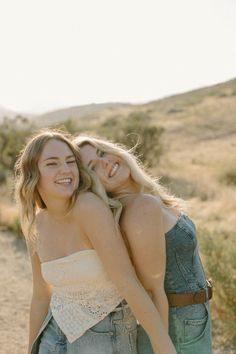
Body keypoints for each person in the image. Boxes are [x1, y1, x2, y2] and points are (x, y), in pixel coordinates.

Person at [14, 130, 177, 354]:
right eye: (52, 164)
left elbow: (128, 282)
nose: (66, 170)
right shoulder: (36, 222)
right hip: (52, 335)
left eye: (70, 162)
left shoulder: (88, 206)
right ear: (34, 174)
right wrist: (30, 349)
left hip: (105, 334)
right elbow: (41, 296)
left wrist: (163, 348)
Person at [75, 135, 213, 354]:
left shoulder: (142, 199)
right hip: (178, 325)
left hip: (191, 318)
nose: (105, 162)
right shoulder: (141, 207)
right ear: (91, 184)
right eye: (93, 167)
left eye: (102, 153)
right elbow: (152, 290)